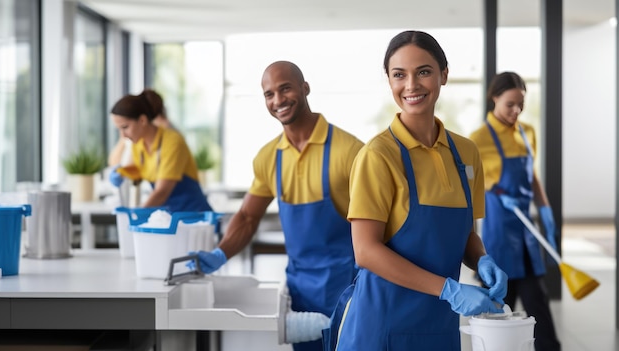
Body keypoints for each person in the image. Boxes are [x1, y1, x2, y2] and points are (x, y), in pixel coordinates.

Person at [331, 30, 508, 351]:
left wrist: (482, 259)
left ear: (444, 75)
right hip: (380, 327)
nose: (411, 85)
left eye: (423, 72)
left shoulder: (466, 153)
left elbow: (463, 233)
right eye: (399, 75)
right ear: (389, 80)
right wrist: (449, 290)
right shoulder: (378, 155)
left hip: (438, 328)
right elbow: (366, 251)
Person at [188, 61, 364, 351]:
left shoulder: (350, 151)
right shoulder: (269, 157)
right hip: (299, 289)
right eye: (269, 94)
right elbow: (247, 216)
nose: (278, 100)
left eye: (285, 89)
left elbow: (381, 222)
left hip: (349, 288)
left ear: (305, 88)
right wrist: (220, 254)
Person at [469, 71, 561, 351]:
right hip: (498, 230)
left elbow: (532, 176)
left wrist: (545, 212)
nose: (516, 110)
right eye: (510, 104)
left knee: (539, 309)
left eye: (521, 104)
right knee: (499, 312)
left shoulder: (527, 131)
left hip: (527, 231)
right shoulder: (478, 138)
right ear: (494, 98)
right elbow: (473, 186)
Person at [108, 89, 213, 213]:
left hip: (194, 218)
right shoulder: (138, 144)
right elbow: (140, 172)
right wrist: (122, 173)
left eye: (125, 127)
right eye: (119, 129)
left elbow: (162, 192)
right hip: (169, 216)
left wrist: (137, 215)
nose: (123, 135)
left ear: (142, 120)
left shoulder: (172, 141)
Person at [108, 88, 173, 167]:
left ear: (143, 120)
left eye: (125, 127)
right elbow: (115, 163)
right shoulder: (137, 139)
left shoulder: (169, 138)